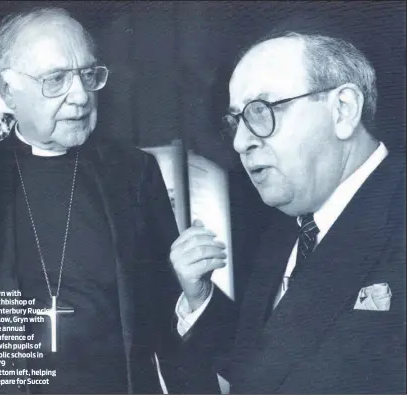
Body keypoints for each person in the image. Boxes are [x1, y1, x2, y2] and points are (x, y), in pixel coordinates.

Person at [170, 24, 406, 393]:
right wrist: (201, 300)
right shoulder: (288, 229)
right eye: (236, 121)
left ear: (343, 110)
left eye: (261, 111)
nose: (241, 142)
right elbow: (265, 367)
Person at [0, 7, 202, 394]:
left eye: (88, 74)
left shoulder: (135, 171)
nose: (81, 95)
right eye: (56, 79)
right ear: (7, 90)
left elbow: (169, 307)